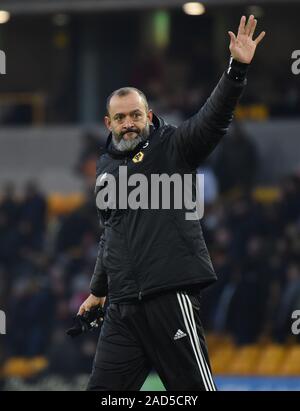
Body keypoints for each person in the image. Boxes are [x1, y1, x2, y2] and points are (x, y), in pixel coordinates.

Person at [78, 15, 265, 391]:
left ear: (148, 116)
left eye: (135, 115)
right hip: (123, 308)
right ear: (108, 123)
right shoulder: (104, 168)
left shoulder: (174, 147)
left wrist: (236, 69)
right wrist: (99, 290)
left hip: (169, 297)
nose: (129, 123)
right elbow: (110, 233)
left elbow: (213, 119)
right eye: (120, 118)